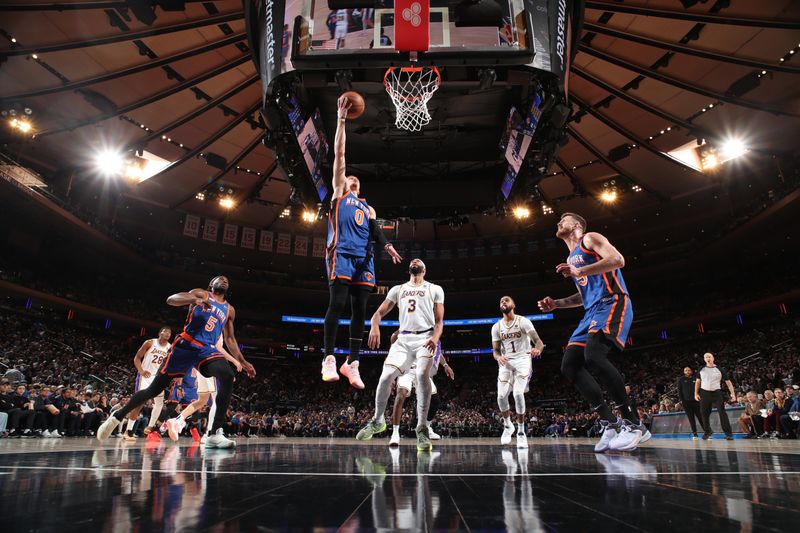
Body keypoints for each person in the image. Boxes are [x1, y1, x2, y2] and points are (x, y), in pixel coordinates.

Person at [96, 276, 255, 449]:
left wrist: (243, 361)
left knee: (227, 374)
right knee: (153, 389)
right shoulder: (201, 293)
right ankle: (117, 416)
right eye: (220, 279)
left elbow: (230, 339)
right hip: (185, 345)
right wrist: (195, 300)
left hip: (206, 349)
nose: (224, 281)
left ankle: (215, 433)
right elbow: (171, 299)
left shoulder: (229, 309)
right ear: (211, 284)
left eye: (227, 281)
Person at [537, 212, 647, 453]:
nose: (558, 222)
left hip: (612, 301)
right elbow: (583, 294)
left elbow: (617, 260)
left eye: (563, 219)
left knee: (594, 356)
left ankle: (633, 422)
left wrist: (581, 271)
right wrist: (557, 303)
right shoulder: (570, 257)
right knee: (570, 365)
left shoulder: (590, 239)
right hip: (590, 311)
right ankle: (610, 423)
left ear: (576, 225)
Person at [321, 95, 402, 388]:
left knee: (360, 311)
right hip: (341, 252)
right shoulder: (339, 194)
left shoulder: (369, 208)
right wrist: (342, 120)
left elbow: (374, 231)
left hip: (364, 258)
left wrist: (387, 245)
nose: (353, 182)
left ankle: (352, 362)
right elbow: (340, 156)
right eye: (349, 179)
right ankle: (329, 357)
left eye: (356, 181)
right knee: (338, 304)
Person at [356, 258, 444, 451]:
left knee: (422, 376)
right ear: (409, 270)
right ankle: (378, 420)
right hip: (403, 339)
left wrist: (435, 339)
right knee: (386, 376)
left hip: (425, 337)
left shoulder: (435, 289)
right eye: (413, 260)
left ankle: (421, 428)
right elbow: (378, 313)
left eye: (419, 260)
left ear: (424, 269)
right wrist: (375, 325)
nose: (415, 260)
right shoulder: (398, 289)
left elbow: (439, 322)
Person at [491, 296, 544, 449]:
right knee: (501, 396)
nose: (503, 302)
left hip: (523, 359)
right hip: (506, 362)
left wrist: (537, 350)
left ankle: (521, 431)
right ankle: (508, 426)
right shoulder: (496, 327)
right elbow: (495, 351)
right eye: (501, 301)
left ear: (513, 304)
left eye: (506, 300)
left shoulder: (523, 321)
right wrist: (498, 357)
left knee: (518, 394)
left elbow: (539, 341)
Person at [165, 337, 239, 443]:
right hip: (212, 364)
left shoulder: (205, 326)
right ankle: (209, 434)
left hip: (202, 365)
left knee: (201, 401)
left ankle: (177, 420)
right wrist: (233, 363)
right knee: (216, 401)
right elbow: (218, 349)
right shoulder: (218, 325)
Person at [388, 333, 454, 446]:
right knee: (400, 395)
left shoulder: (430, 335)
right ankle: (395, 434)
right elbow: (393, 338)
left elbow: (437, 351)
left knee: (435, 401)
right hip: (407, 370)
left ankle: (427, 427)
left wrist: (445, 365)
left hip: (423, 372)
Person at [122, 327, 172, 442]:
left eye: (170, 333)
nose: (168, 334)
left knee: (159, 404)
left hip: (158, 378)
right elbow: (137, 358)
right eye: (165, 331)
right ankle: (128, 431)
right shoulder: (150, 343)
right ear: (160, 333)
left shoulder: (170, 348)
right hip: (146, 376)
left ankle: (150, 427)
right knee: (139, 403)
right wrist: (141, 371)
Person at [694, 352, 735, 440]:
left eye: (709, 356)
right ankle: (707, 431)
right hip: (704, 393)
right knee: (704, 413)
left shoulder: (719, 369)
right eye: (705, 357)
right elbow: (698, 382)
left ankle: (728, 434)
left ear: (713, 358)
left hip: (717, 392)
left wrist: (733, 394)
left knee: (722, 413)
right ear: (704, 359)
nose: (707, 358)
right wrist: (696, 393)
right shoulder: (701, 369)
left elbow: (728, 383)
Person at [677, 367, 702, 439]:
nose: (687, 371)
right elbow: (679, 391)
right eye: (686, 370)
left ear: (691, 371)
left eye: (688, 370)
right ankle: (695, 434)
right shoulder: (681, 379)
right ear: (684, 372)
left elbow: (699, 389)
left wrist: (700, 398)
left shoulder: (695, 378)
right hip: (686, 403)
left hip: (696, 401)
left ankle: (707, 432)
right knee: (691, 419)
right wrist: (682, 400)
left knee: (700, 417)